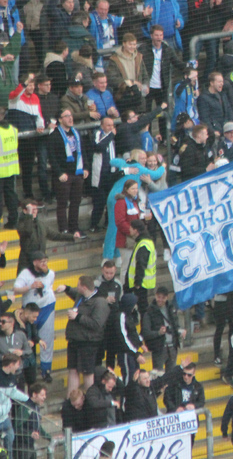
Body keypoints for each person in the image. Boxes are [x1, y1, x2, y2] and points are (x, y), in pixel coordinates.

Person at [60, 276, 110, 395]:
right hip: (74, 340)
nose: (77, 288)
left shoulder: (100, 302)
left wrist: (77, 317)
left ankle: (91, 399)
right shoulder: (81, 296)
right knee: (72, 370)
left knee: (88, 372)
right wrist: (66, 289)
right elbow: (74, 293)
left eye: (78, 286)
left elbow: (96, 324)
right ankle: (71, 399)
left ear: (84, 287)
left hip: (88, 343)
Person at [13, 251, 55, 382]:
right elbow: (16, 289)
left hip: (47, 308)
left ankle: (46, 369)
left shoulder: (51, 273)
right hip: (30, 311)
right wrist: (30, 287)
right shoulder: (26, 274)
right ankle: (28, 367)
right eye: (41, 261)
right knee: (30, 339)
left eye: (45, 261)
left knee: (47, 339)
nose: (44, 264)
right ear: (34, 262)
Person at [47, 108, 88, 236]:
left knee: (76, 202)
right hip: (64, 175)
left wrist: (85, 167)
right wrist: (59, 173)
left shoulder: (76, 133)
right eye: (66, 116)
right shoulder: (54, 135)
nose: (70, 118)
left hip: (77, 173)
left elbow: (83, 151)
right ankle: (63, 229)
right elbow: (52, 157)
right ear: (60, 119)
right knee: (62, 203)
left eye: (71, 115)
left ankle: (74, 227)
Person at [141, 286, 184, 371]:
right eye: (158, 297)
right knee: (158, 376)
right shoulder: (149, 312)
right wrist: (158, 333)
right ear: (155, 296)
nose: (160, 300)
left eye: (163, 298)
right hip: (159, 348)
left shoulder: (171, 309)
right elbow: (145, 332)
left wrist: (180, 331)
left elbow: (175, 325)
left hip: (172, 347)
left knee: (171, 376)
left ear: (167, 297)